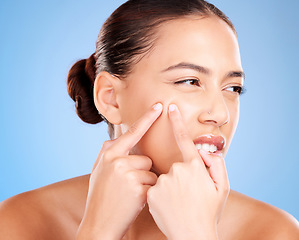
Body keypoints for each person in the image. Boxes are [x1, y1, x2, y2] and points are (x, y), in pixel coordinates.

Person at [0, 0, 298, 239]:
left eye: (232, 88)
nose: (220, 114)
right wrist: (97, 231)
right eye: (189, 81)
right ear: (110, 97)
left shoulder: (273, 232)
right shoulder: (18, 223)